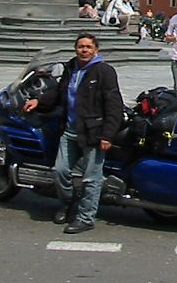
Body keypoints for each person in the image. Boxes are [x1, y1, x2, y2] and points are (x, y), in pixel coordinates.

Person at [22, 33, 123, 235]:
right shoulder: (71, 67)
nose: (84, 50)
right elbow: (59, 93)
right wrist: (39, 101)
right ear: (75, 49)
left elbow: (114, 106)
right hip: (70, 130)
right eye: (80, 47)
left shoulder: (104, 71)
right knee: (60, 170)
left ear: (96, 50)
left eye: (88, 47)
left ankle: (86, 218)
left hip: (93, 132)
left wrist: (107, 135)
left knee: (91, 178)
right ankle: (69, 203)